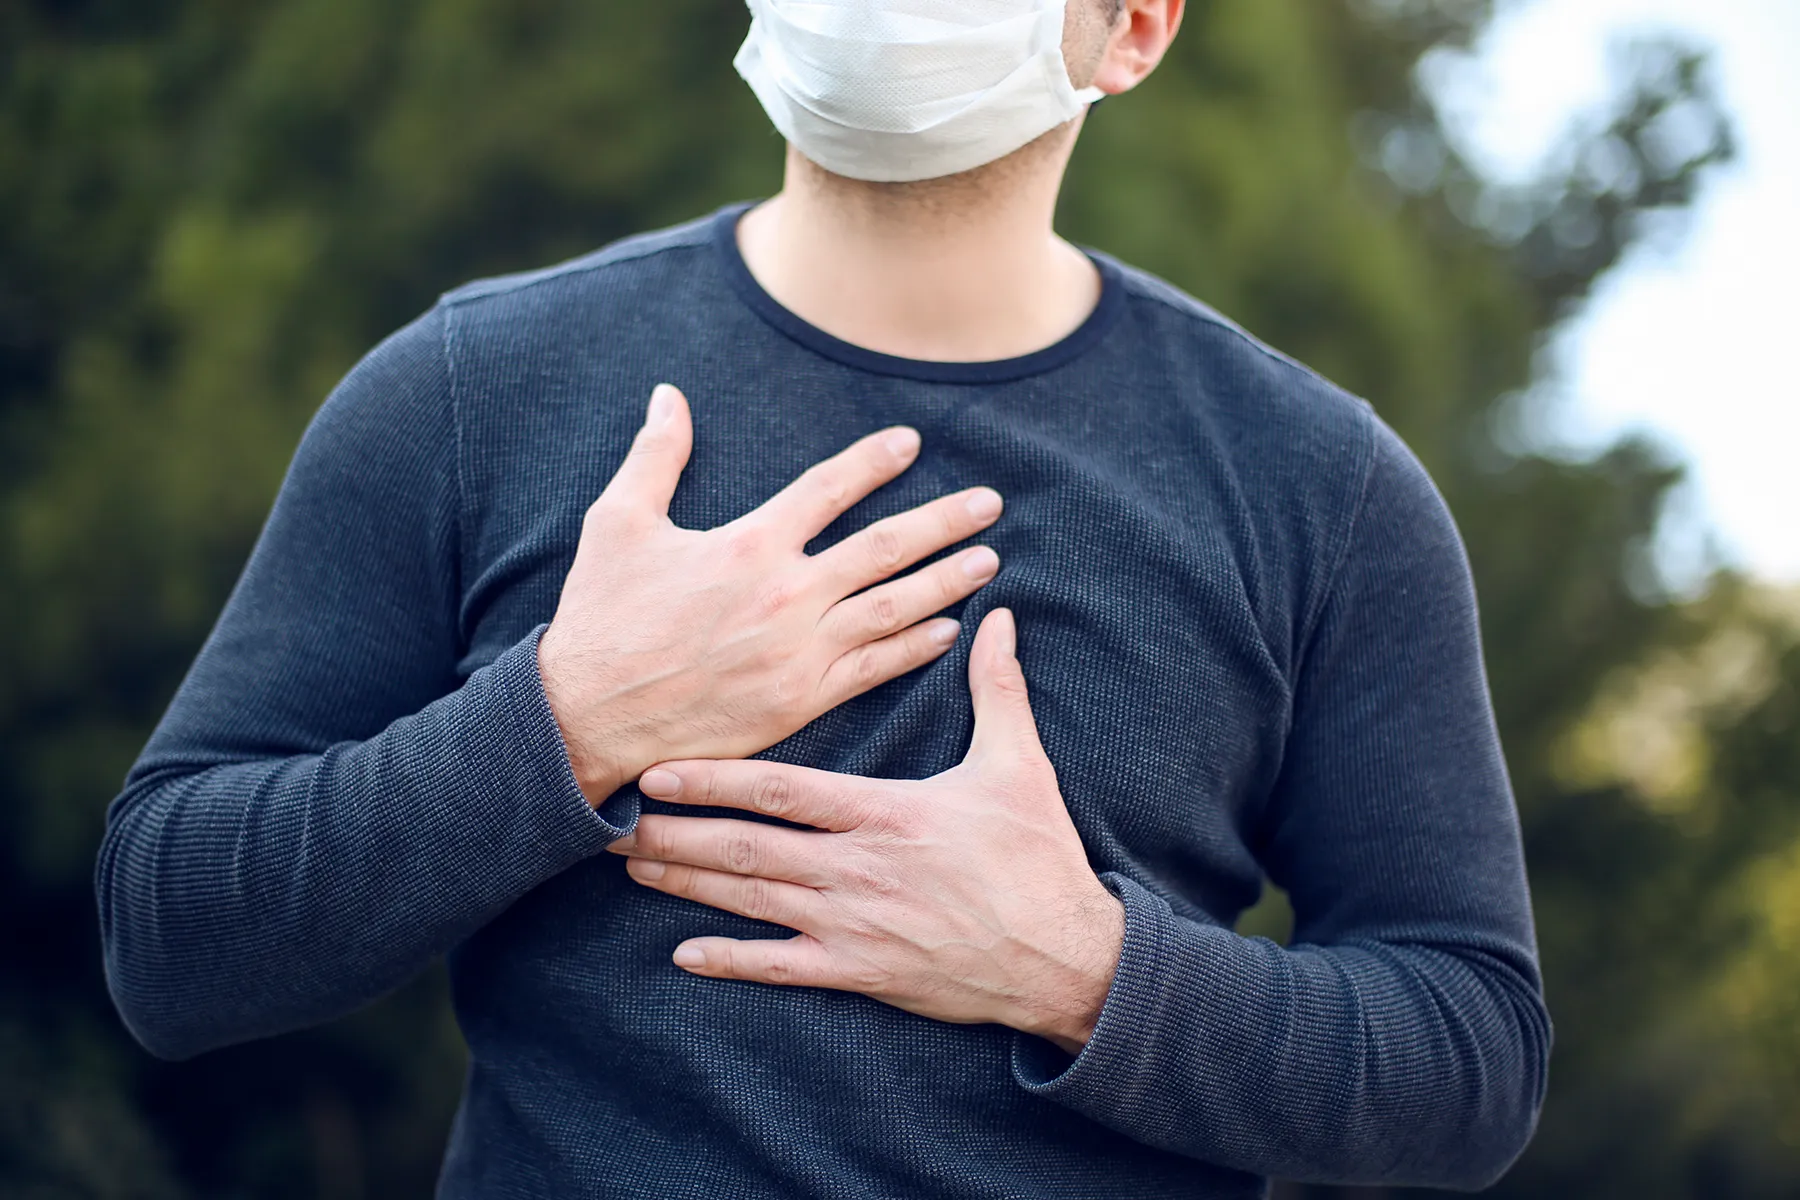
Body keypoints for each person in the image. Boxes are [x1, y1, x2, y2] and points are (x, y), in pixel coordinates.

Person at [95, 0, 1552, 1195]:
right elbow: (167, 939)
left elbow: (1471, 1064)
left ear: (1136, 30)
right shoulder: (474, 391)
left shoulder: (1321, 491)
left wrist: (1092, 973)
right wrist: (565, 720)